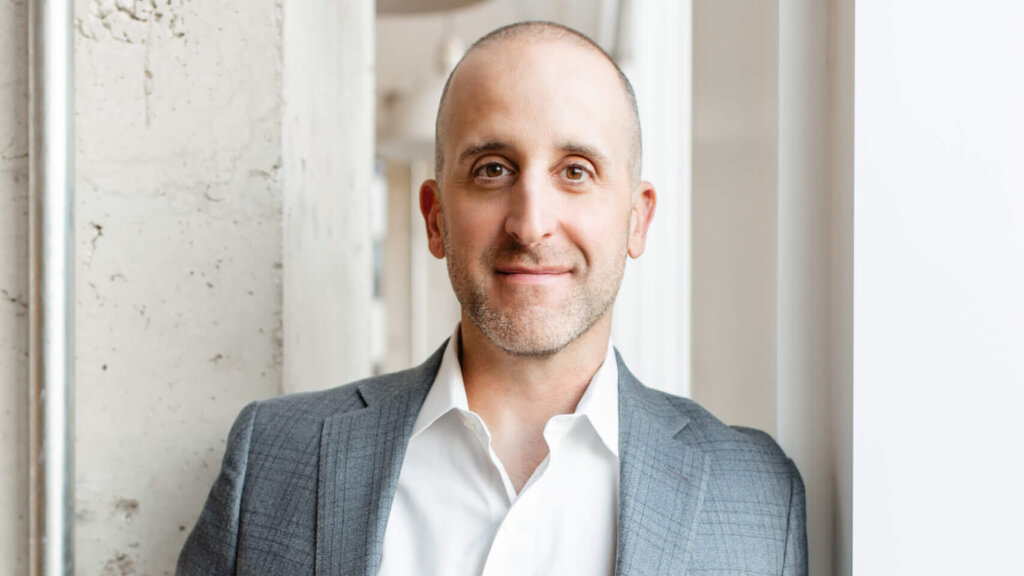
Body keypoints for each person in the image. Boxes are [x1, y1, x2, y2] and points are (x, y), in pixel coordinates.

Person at [178, 21, 807, 576]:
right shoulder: (273, 458)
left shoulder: (755, 493)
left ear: (637, 220)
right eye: (492, 169)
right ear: (435, 218)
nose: (530, 225)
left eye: (576, 171)